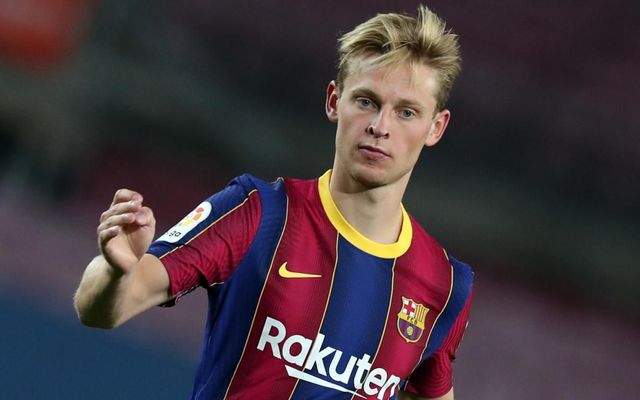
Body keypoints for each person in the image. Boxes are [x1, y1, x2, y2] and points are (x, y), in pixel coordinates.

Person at [74, 5, 473, 400]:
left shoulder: (445, 285)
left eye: (406, 112)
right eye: (366, 101)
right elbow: (102, 310)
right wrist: (115, 273)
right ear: (334, 101)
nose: (379, 127)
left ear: (435, 127)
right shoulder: (259, 213)